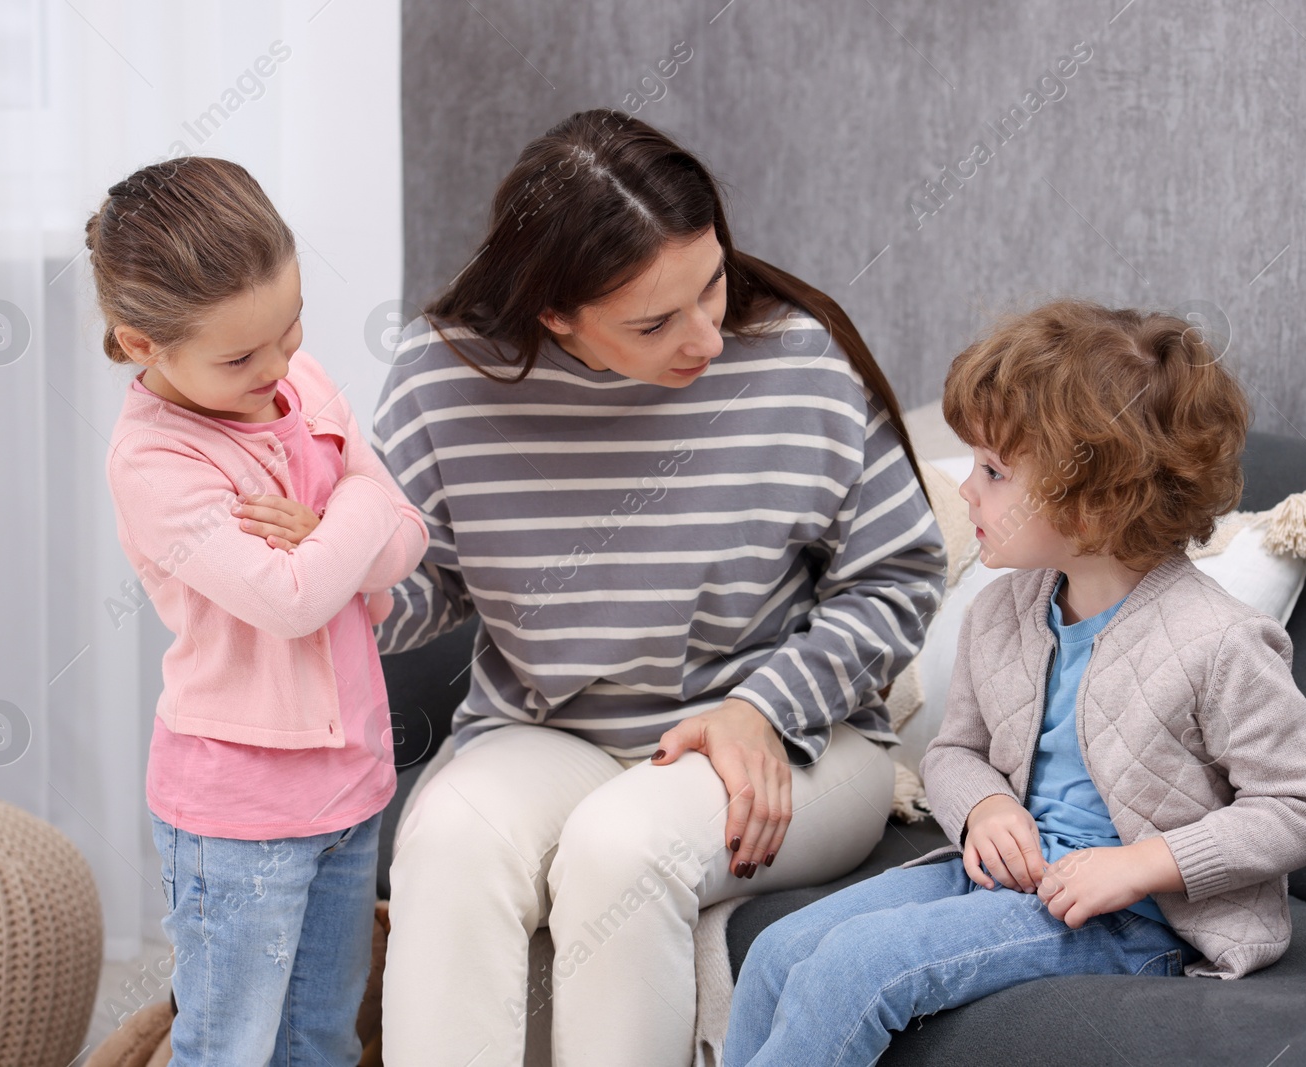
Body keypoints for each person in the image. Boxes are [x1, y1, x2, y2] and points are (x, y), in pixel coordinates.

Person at [369, 109, 947, 1065]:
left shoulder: (796, 361)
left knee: (622, 850)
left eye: (712, 283)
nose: (707, 338)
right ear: (554, 314)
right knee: (447, 843)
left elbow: (897, 576)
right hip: (550, 729)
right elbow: (429, 583)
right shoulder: (446, 377)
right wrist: (338, 584)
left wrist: (765, 707)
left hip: (791, 741)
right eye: (654, 322)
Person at [724, 299, 1306, 1065]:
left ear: (1096, 502)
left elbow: (1303, 807)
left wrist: (1138, 865)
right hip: (1005, 877)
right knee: (778, 948)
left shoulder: (1220, 641)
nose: (966, 491)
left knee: (857, 968)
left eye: (992, 470)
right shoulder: (1004, 610)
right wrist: (983, 807)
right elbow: (954, 753)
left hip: (1136, 917)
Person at [90, 156, 428, 1065]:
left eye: (291, 329)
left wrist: (329, 527)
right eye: (241, 355)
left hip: (352, 786)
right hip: (238, 816)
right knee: (229, 1044)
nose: (279, 367)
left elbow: (409, 541)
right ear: (141, 343)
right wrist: (354, 512)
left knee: (321, 1036)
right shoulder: (155, 463)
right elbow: (294, 600)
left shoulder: (294, 377)